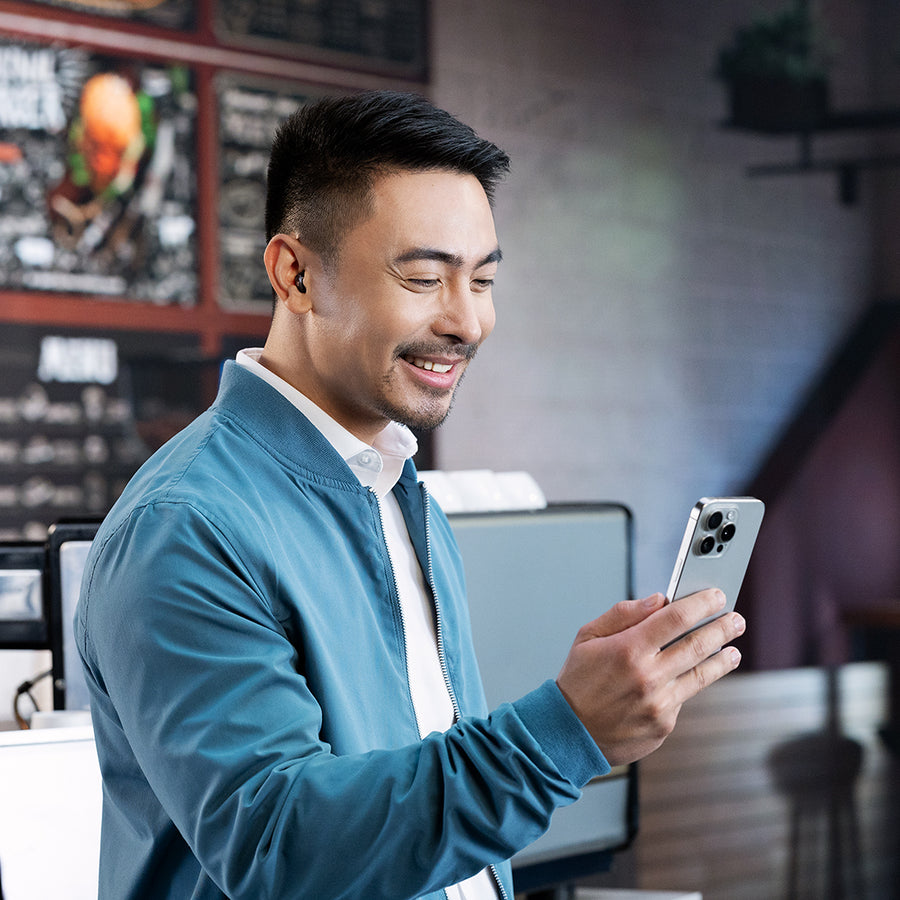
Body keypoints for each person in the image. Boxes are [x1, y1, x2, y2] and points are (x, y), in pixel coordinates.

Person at [74, 91, 745, 900]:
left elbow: (416, 800)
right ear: (295, 275)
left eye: (483, 279)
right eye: (425, 277)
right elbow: (280, 847)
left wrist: (583, 705)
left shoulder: (394, 484)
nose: (469, 321)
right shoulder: (184, 527)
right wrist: (563, 731)